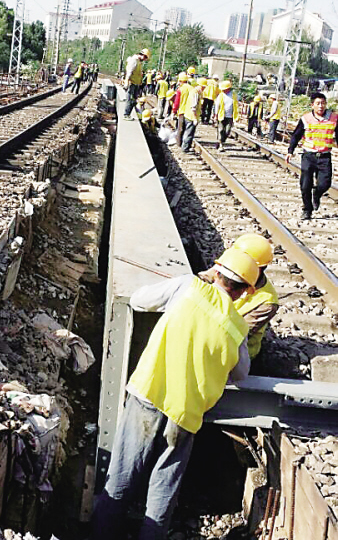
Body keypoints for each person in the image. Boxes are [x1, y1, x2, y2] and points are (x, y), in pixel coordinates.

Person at [91, 248, 259, 540]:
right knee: (163, 491)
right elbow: (241, 373)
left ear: (216, 273)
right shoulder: (237, 326)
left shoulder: (188, 287)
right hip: (185, 415)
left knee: (120, 479)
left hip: (148, 396)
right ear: (244, 292)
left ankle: (100, 535)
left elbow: (140, 299)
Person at [199, 234, 278, 360]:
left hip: (233, 351)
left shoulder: (267, 302)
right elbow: (203, 279)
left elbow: (236, 334)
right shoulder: (229, 268)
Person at [286, 91, 338, 220]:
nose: (321, 106)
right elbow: (296, 135)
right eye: (318, 103)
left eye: (323, 103)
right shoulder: (306, 118)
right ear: (312, 105)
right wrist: (290, 151)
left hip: (325, 156)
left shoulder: (334, 118)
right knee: (305, 185)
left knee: (325, 184)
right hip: (309, 156)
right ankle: (307, 210)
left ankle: (317, 194)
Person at [181, 78, 207, 152]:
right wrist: (195, 118)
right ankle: (185, 148)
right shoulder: (195, 93)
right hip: (191, 116)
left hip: (189, 115)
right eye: (203, 87)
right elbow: (193, 107)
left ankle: (187, 147)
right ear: (200, 86)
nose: (204, 89)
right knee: (189, 133)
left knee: (190, 133)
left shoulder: (196, 92)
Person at [123, 49, 151, 119]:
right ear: (142, 55)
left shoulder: (138, 62)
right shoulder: (134, 60)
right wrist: (126, 81)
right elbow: (129, 71)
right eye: (145, 58)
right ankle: (126, 115)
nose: (145, 60)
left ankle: (128, 114)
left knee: (134, 100)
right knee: (130, 99)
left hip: (136, 84)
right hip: (132, 83)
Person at [214, 79, 238, 152]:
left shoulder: (234, 95)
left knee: (227, 131)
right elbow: (217, 105)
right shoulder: (220, 95)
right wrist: (216, 115)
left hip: (230, 116)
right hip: (221, 116)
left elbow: (236, 105)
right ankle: (221, 144)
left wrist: (236, 116)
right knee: (221, 130)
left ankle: (220, 141)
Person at [172, 72, 191, 147]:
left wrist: (174, 111)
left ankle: (179, 143)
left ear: (181, 81)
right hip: (190, 112)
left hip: (182, 111)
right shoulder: (191, 88)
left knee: (180, 129)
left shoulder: (180, 89)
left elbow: (177, 102)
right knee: (188, 129)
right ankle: (185, 143)